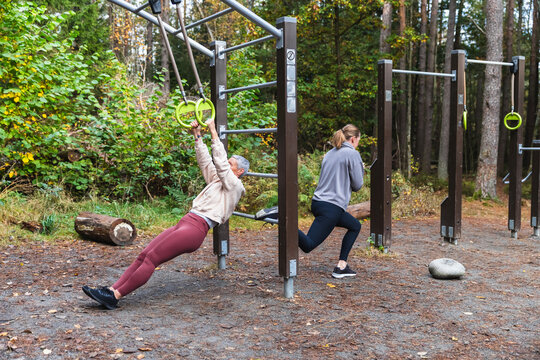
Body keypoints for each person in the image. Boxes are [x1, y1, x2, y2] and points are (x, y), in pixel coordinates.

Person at [82, 118, 249, 309]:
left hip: (195, 229)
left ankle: (116, 296)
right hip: (185, 222)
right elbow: (206, 162)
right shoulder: (219, 181)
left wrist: (213, 130)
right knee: (144, 255)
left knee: (153, 259)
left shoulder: (235, 186)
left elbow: (219, 162)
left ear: (240, 171)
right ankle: (111, 290)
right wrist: (197, 136)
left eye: (231, 164)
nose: (227, 165)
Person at [298, 124, 364, 279]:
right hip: (332, 207)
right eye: (358, 140)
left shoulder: (330, 153)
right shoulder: (352, 154)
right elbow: (357, 185)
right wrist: (360, 168)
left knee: (355, 226)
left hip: (320, 203)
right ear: (353, 139)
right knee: (308, 245)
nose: (358, 143)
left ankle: (342, 266)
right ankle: (282, 220)